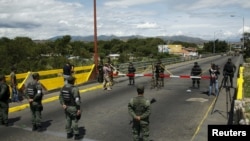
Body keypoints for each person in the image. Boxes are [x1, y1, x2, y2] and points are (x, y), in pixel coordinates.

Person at [59, 76, 81, 140]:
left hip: (66, 107)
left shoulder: (63, 88)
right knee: (74, 120)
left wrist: (63, 104)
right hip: (73, 107)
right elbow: (77, 99)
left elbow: (60, 97)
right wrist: (78, 109)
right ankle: (76, 134)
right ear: (73, 81)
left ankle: (69, 133)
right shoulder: (74, 89)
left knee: (67, 119)